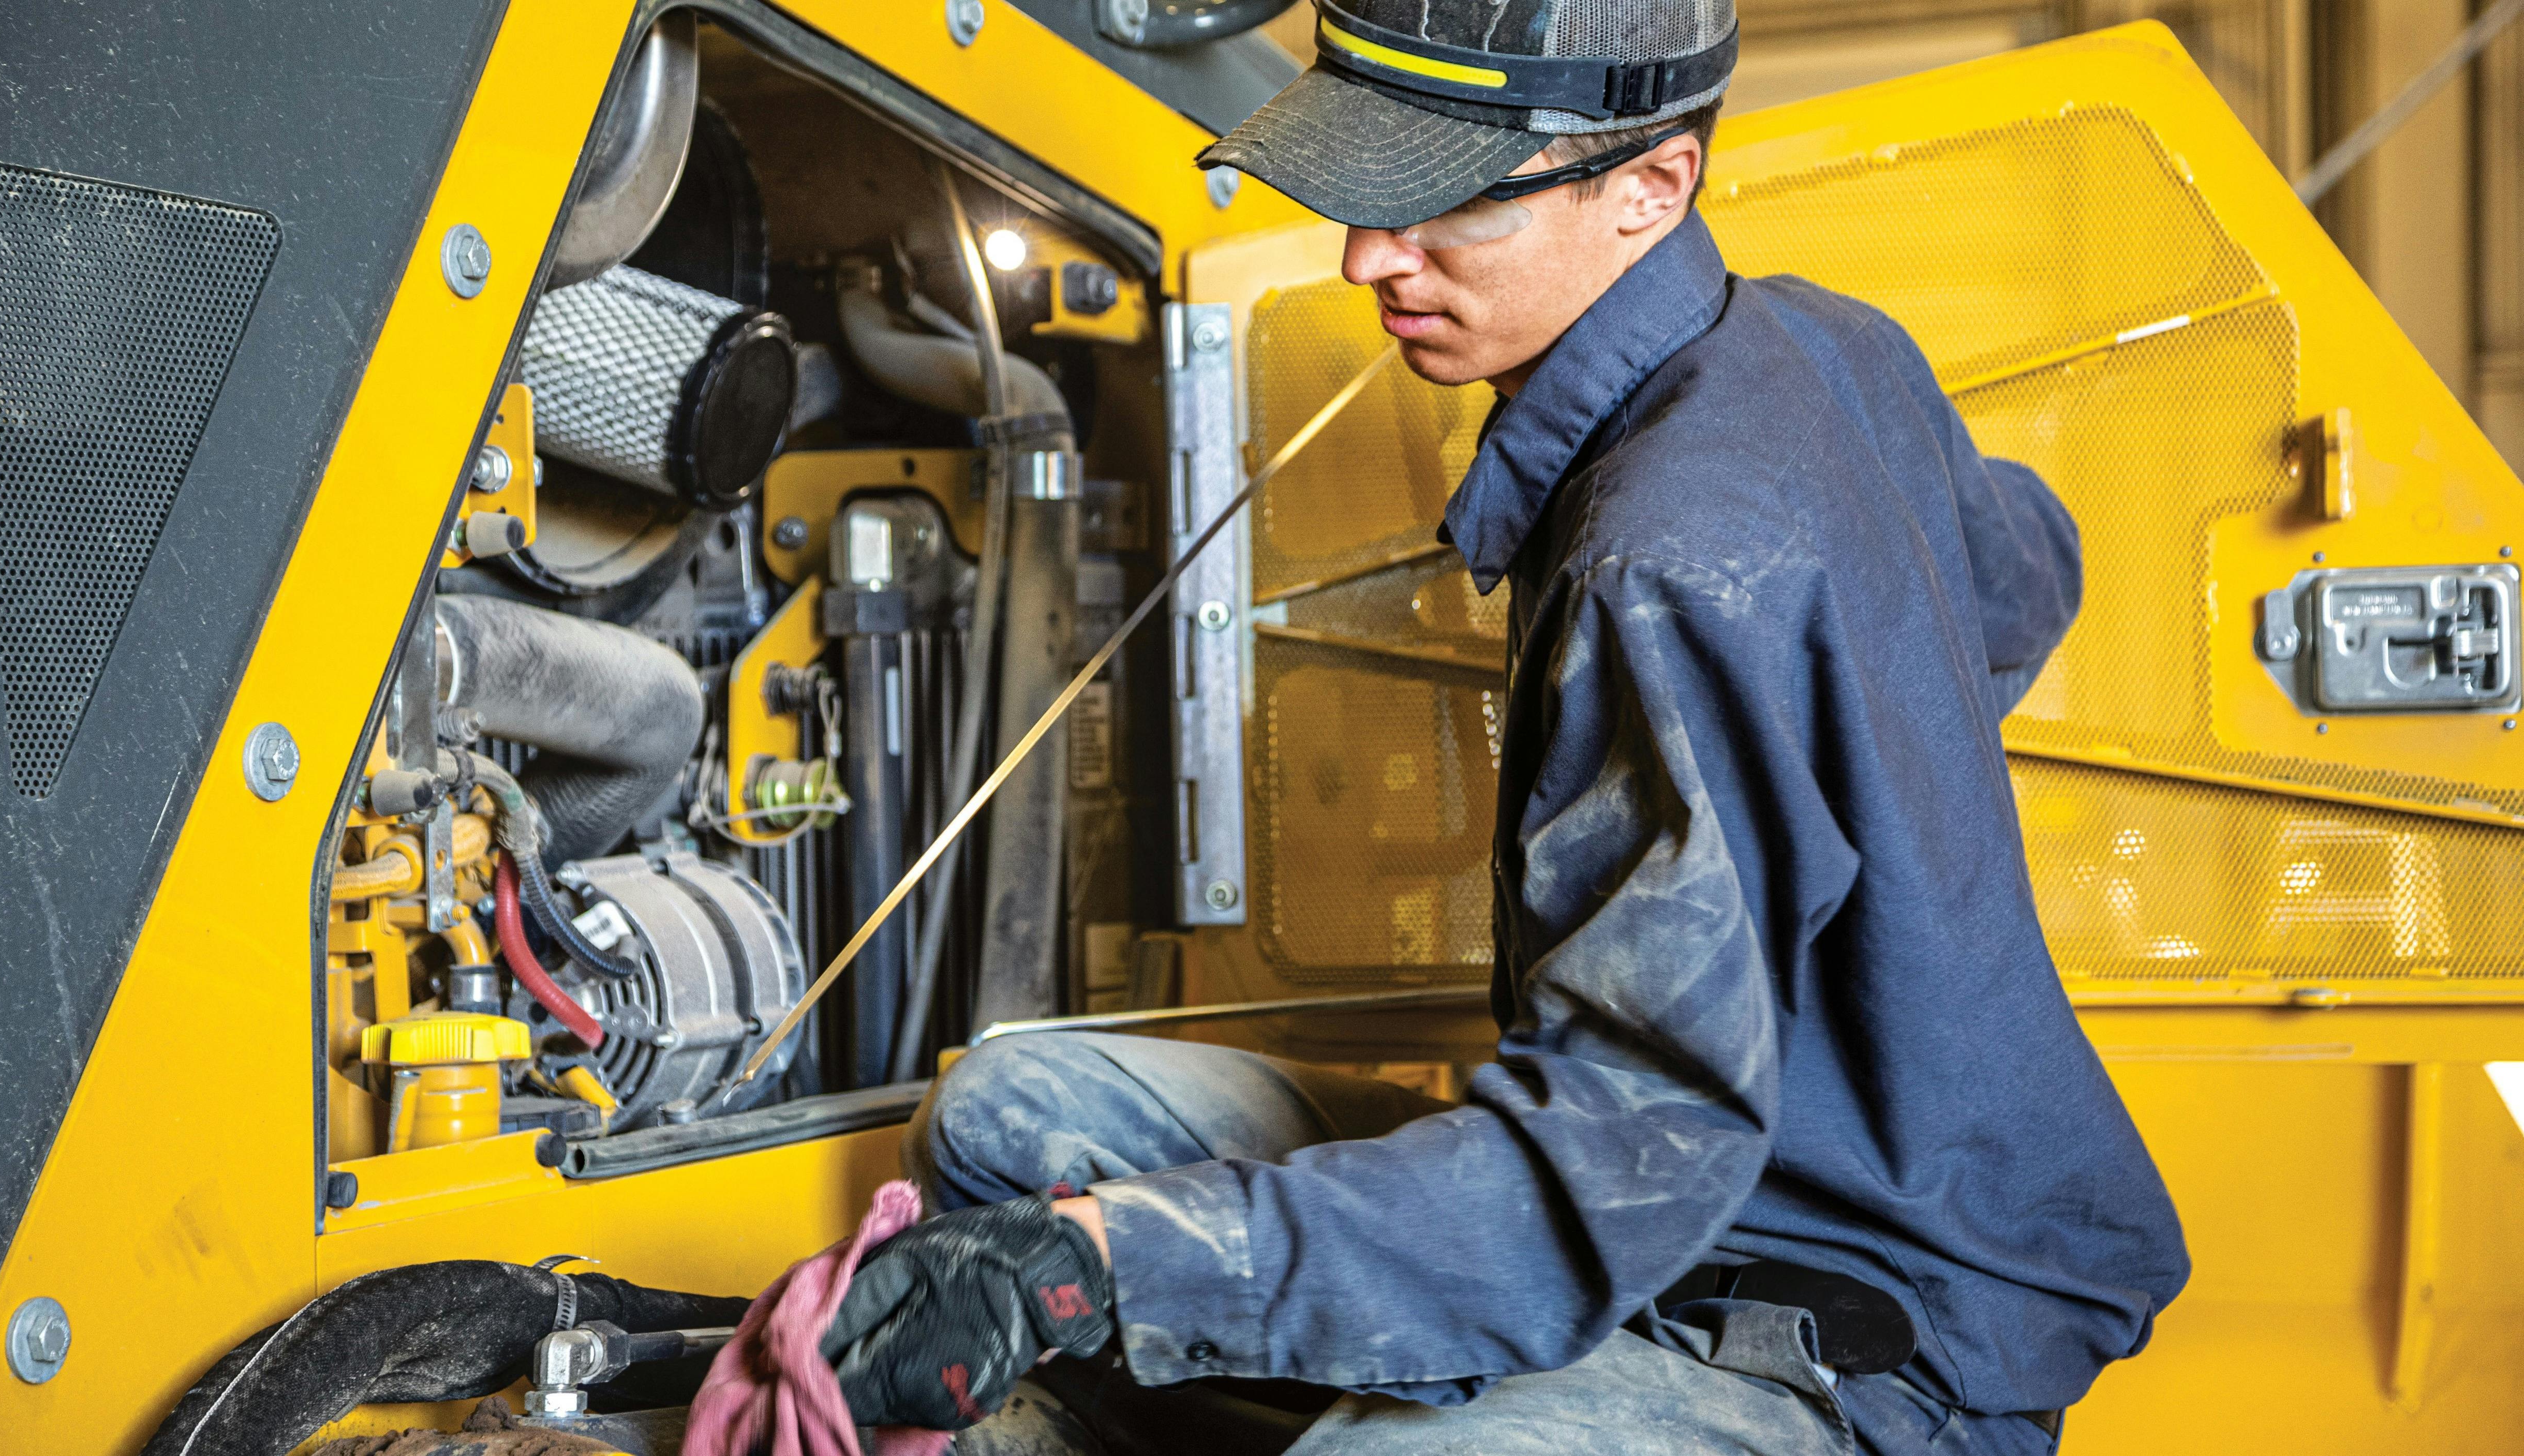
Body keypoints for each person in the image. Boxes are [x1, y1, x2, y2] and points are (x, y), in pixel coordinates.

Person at [818, 2, 2190, 1451]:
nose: (1367, 257)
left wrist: (1112, 1261)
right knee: (1008, 1120)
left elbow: (1618, 1154)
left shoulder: (1663, 560)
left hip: (1849, 1341)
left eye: (1448, 199)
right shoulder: (1835, 347)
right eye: (1368, 186)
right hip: (1685, 1192)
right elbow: (2027, 571)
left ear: (1649, 190)